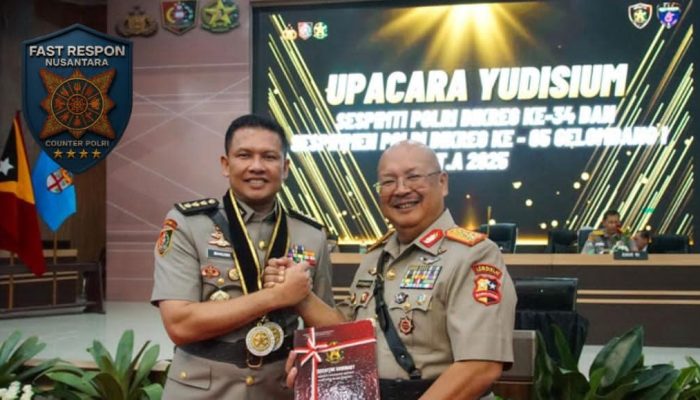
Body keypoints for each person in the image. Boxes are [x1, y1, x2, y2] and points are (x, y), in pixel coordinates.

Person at [265, 141, 516, 400]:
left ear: (442, 182)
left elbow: (480, 367)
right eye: (388, 181)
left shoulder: (473, 255)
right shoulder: (376, 257)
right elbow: (348, 334)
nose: (401, 189)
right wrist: (298, 295)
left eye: (413, 177)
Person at [151, 114, 334, 399]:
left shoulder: (311, 234)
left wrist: (303, 298)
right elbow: (179, 324)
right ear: (226, 164)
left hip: (278, 390)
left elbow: (328, 333)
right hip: (201, 390)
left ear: (285, 168)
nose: (257, 166)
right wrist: (276, 296)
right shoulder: (187, 224)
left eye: (269, 157)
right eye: (244, 155)